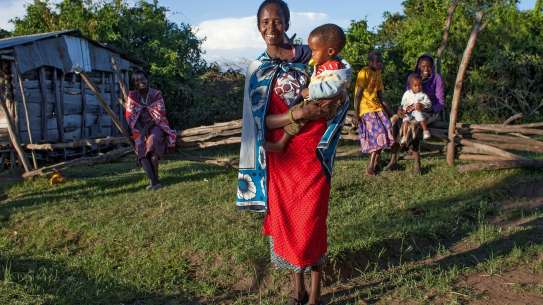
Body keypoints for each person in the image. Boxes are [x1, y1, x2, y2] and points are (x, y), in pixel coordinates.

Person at [236, 1, 351, 304]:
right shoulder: (257, 69)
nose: (271, 28)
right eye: (264, 22)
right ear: (257, 25)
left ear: (287, 22)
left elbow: (338, 91)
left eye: (277, 21)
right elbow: (258, 121)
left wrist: (330, 104)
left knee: (312, 218)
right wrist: (296, 116)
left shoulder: (311, 56)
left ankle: (315, 294)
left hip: (313, 153)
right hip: (282, 157)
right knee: (288, 220)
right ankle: (296, 286)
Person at [265, 23, 349, 153]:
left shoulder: (337, 68)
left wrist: (311, 91)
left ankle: (281, 143)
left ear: (330, 51)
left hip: (319, 104)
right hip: (316, 102)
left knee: (298, 116)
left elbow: (334, 88)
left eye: (314, 51)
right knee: (297, 115)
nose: (312, 53)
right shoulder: (323, 62)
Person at [125, 70, 176, 190]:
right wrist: (140, 133)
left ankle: (155, 180)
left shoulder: (156, 94)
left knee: (152, 143)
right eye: (137, 81)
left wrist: (145, 131)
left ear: (147, 79)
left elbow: (159, 115)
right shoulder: (132, 96)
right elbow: (130, 116)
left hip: (157, 125)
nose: (140, 82)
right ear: (133, 83)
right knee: (140, 147)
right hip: (139, 127)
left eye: (143, 79)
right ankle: (154, 181)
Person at [353, 51, 394, 176]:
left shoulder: (378, 73)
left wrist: (390, 112)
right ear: (370, 62)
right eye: (378, 61)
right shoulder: (363, 73)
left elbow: (380, 96)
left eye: (381, 61)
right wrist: (356, 113)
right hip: (366, 109)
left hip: (377, 108)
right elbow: (358, 95)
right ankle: (370, 167)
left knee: (387, 132)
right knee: (379, 134)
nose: (381, 63)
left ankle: (376, 163)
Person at [398, 73, 432, 145]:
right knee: (405, 122)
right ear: (410, 86)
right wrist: (402, 109)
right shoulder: (407, 94)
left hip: (417, 112)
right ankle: (404, 136)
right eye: (415, 85)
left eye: (420, 85)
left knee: (418, 114)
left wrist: (422, 105)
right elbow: (402, 103)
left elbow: (429, 104)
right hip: (408, 112)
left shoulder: (423, 95)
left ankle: (425, 130)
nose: (418, 87)